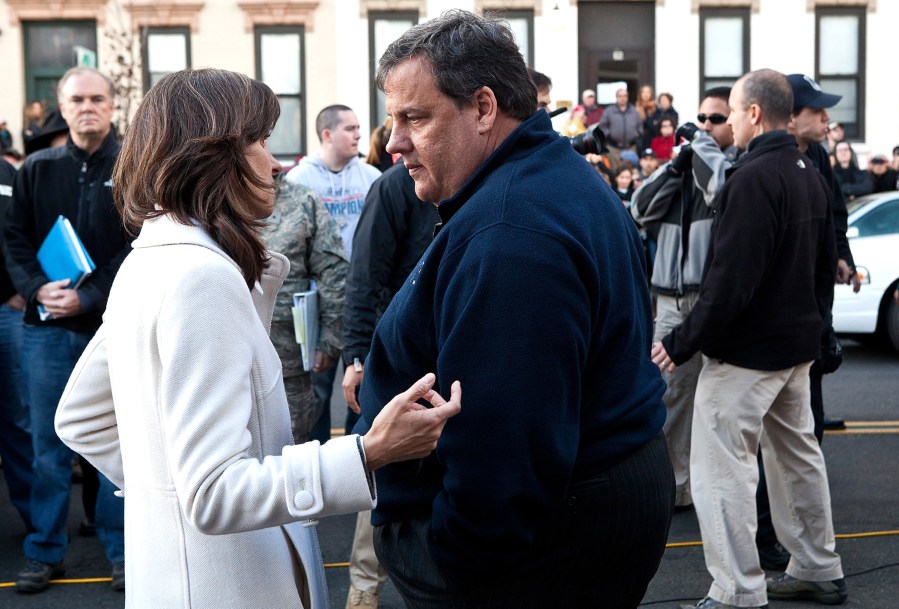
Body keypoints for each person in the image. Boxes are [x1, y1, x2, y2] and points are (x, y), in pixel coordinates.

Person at [53, 67, 461, 608]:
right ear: (212, 154)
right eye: (261, 142)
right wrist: (368, 452)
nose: (274, 163)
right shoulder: (201, 276)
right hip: (231, 585)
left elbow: (81, 416)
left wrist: (165, 492)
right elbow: (213, 492)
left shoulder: (150, 257)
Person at [358, 10, 674, 608]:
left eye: (414, 118)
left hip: (529, 552)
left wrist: (445, 561)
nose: (394, 141)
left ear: (483, 109)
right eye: (392, 120)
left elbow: (506, 454)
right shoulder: (545, 181)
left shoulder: (513, 233)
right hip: (582, 518)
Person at [652, 69, 847, 609]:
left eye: (733, 113)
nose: (730, 123)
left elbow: (730, 279)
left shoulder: (753, 176)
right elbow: (819, 264)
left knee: (721, 468)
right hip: (794, 350)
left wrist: (683, 340)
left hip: (747, 355)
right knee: (796, 456)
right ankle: (817, 565)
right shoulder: (810, 170)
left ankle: (738, 589)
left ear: (755, 114)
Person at [4, 66, 128, 594]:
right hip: (47, 328)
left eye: (97, 98)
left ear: (112, 105)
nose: (87, 107)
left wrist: (91, 294)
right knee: (48, 447)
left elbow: (137, 243)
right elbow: (11, 238)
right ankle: (45, 550)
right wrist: (36, 288)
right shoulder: (36, 168)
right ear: (62, 105)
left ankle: (123, 551)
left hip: (111, 327)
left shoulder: (132, 166)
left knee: (114, 446)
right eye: (77, 99)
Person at [632, 86, 737, 515]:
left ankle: (718, 486)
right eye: (701, 120)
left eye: (715, 120)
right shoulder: (684, 168)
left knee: (721, 403)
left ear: (734, 123)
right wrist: (674, 166)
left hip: (713, 304)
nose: (705, 127)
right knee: (670, 399)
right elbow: (639, 209)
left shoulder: (733, 169)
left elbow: (724, 191)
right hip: (671, 305)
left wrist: (704, 148)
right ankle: (677, 488)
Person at [340, 161, 439, 609]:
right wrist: (358, 357)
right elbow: (364, 276)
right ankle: (364, 589)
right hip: (398, 358)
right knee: (380, 466)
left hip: (452, 354)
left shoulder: (482, 178)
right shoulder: (393, 188)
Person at [285, 104, 381, 443]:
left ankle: (365, 467)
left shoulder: (371, 179)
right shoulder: (300, 180)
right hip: (319, 304)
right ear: (327, 134)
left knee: (366, 388)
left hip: (363, 300)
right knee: (317, 393)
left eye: (358, 128)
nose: (359, 134)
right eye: (350, 128)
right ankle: (319, 470)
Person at [261, 181, 348, 444]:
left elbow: (333, 271)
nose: (274, 163)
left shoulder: (303, 201)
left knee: (291, 447)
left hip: (290, 365)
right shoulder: (213, 196)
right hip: (229, 364)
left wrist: (330, 339)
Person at [0, 157, 34, 534]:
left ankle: (35, 522)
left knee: (16, 422)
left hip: (6, 311)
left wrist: (18, 288)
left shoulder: (8, 172)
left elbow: (20, 233)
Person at [598, 88, 642, 171]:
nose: (622, 98)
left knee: (630, 171)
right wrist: (609, 134)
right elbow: (602, 126)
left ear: (627, 97)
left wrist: (636, 133)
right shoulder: (609, 111)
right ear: (617, 97)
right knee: (615, 171)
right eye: (620, 96)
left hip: (631, 147)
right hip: (614, 148)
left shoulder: (634, 111)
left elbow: (640, 126)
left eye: (625, 96)